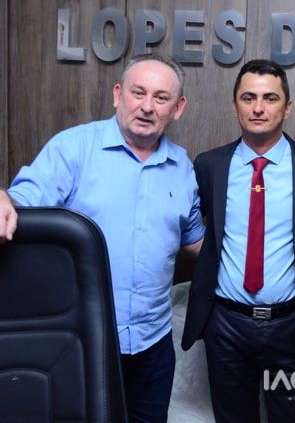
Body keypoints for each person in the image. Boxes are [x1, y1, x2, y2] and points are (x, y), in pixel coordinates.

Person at [0, 53, 205, 423]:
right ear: (117, 94)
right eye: (138, 92)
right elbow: (19, 207)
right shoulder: (73, 148)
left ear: (178, 108)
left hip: (153, 345)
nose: (147, 106)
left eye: (160, 98)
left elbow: (194, 243)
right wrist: (2, 197)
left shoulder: (183, 167)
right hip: (81, 343)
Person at [181, 59, 295, 423]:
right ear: (234, 105)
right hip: (225, 324)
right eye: (248, 98)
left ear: (287, 107)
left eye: (270, 98)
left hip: (291, 326)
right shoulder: (209, 166)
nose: (258, 108)